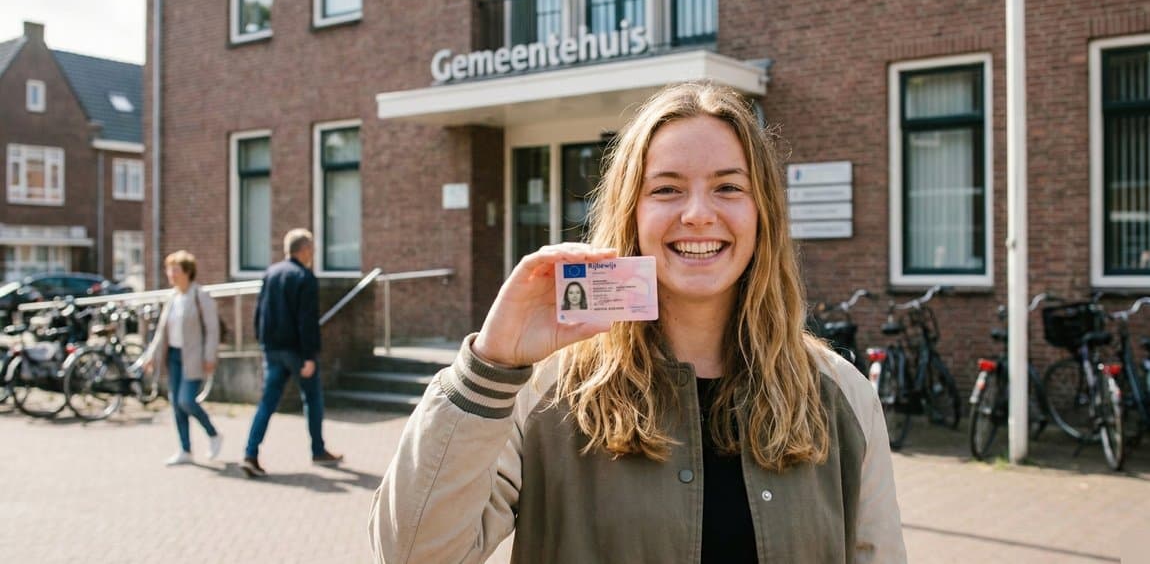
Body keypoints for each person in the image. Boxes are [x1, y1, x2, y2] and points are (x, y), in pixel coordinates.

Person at [370, 82, 906, 562]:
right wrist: (488, 366)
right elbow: (413, 553)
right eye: (667, 188)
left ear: (762, 212)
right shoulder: (545, 393)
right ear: (631, 213)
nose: (698, 213)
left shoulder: (841, 395)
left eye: (728, 187)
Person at [242, 228, 342, 478]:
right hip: (296, 352)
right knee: (312, 399)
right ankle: (318, 450)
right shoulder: (304, 277)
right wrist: (309, 356)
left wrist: (261, 342)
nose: (313, 254)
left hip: (272, 350)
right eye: (312, 249)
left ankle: (250, 454)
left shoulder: (270, 273)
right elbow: (306, 321)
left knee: (267, 403)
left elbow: (259, 313)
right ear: (305, 249)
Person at [143, 250, 222, 466]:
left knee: (186, 400)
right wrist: (151, 356)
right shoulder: (173, 298)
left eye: (175, 270)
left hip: (193, 356)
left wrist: (209, 356)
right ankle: (185, 449)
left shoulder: (200, 296)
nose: (171, 274)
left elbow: (212, 329)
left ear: (187, 272)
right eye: (170, 270)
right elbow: (162, 332)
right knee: (176, 405)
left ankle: (213, 433)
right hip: (174, 356)